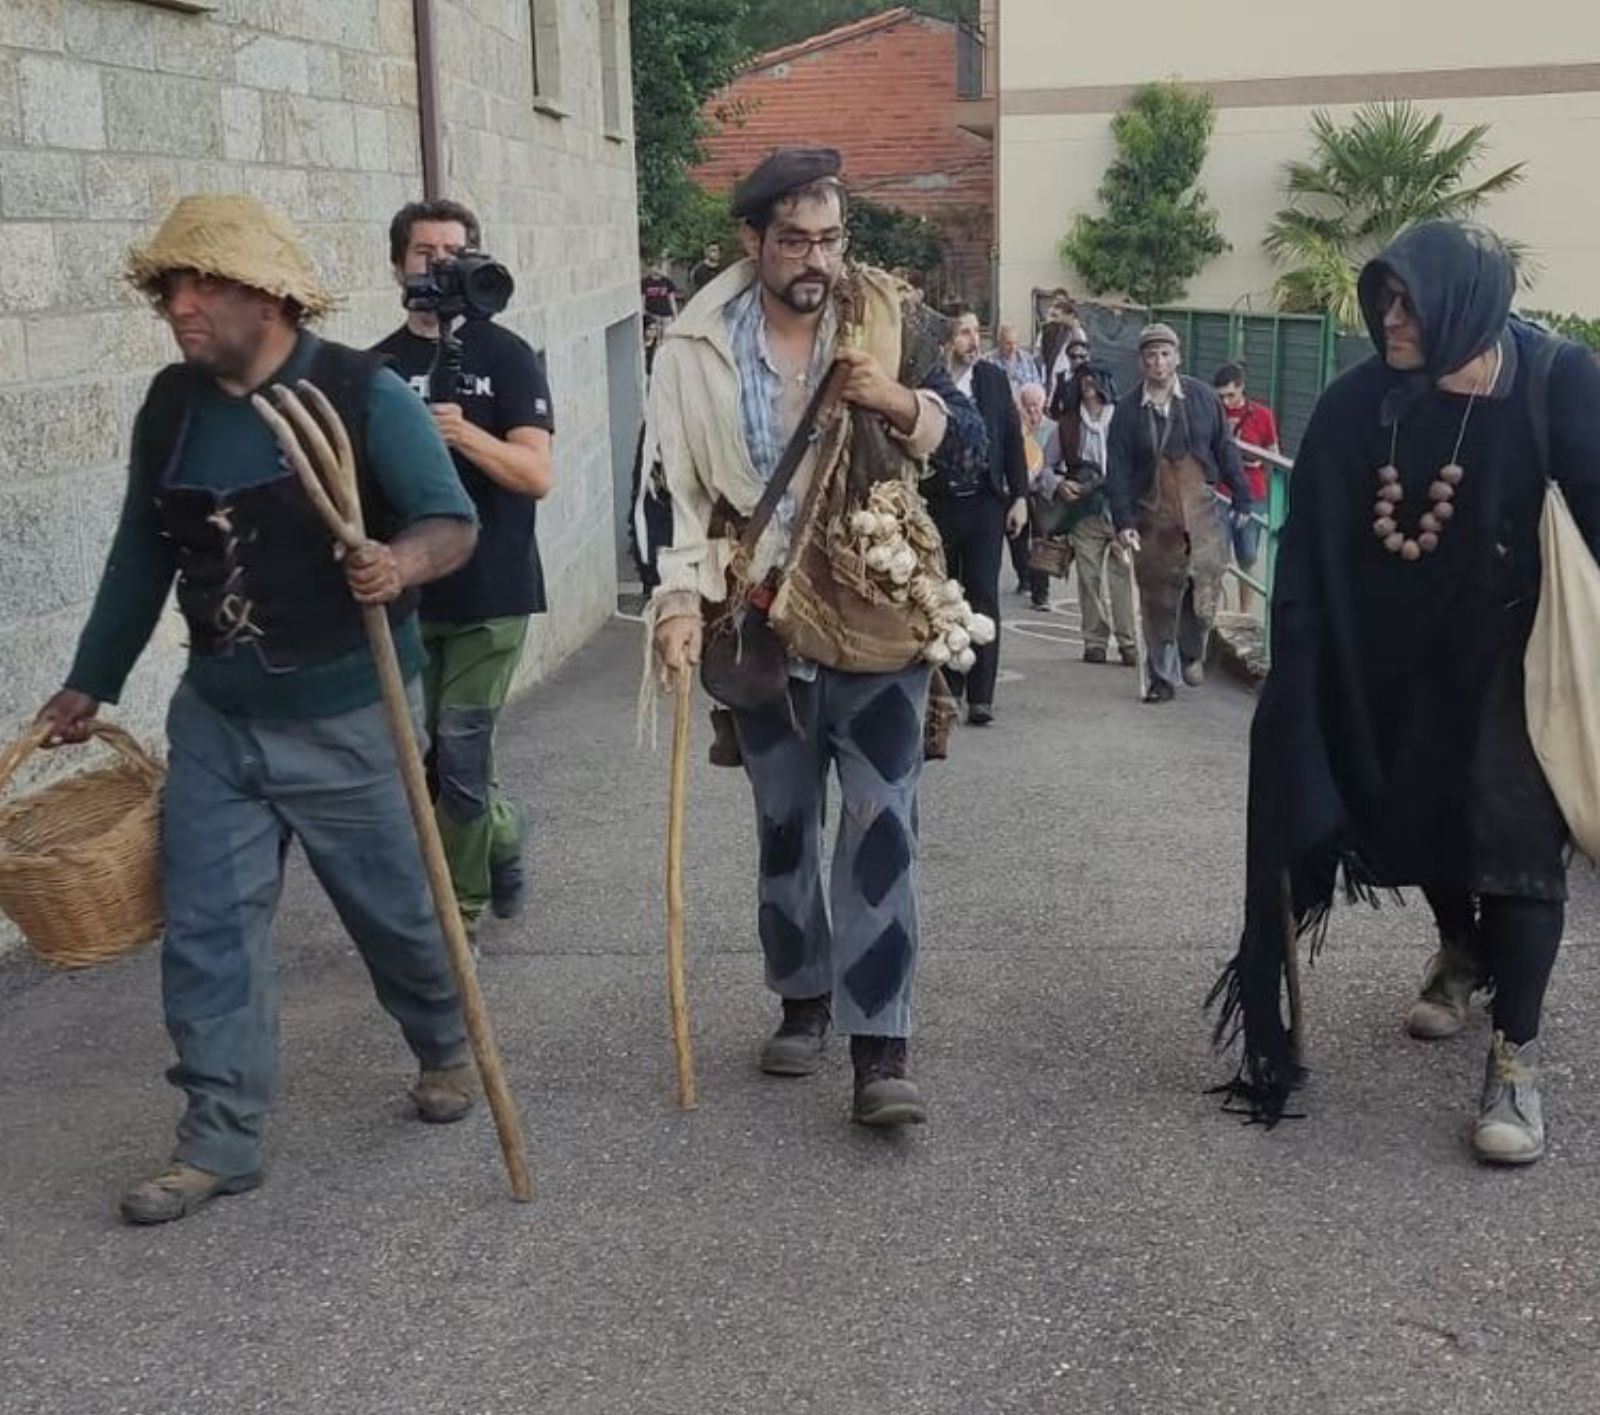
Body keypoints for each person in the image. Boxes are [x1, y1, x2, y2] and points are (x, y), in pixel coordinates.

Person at [35, 194, 481, 1225]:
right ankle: (218, 1137)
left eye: (203, 285)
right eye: (169, 287)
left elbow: (448, 522)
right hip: (220, 720)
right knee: (206, 931)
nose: (180, 306)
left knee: (398, 914)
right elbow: (141, 550)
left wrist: (397, 560)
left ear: (267, 295)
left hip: (351, 711)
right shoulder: (173, 405)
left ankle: (443, 1039)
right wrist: (90, 678)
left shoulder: (363, 393)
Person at [1211, 221, 1600, 1163]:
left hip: (1523, 663)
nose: (1389, 318)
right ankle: (1459, 947)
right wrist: (1300, 675)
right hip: (1401, 666)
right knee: (1411, 818)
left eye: (1409, 304)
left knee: (1516, 847)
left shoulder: (1558, 383)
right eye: (1383, 298)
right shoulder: (1359, 405)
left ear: (1465, 305)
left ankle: (1517, 1057)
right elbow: (1310, 551)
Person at [646, 147, 986, 1126]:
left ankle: (881, 1047)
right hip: (757, 628)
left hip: (878, 620)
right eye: (793, 238)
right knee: (785, 829)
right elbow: (682, 503)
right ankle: (801, 995)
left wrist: (897, 400)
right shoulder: (693, 349)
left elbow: (972, 444)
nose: (816, 259)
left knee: (881, 829)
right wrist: (676, 604)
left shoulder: (892, 318)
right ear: (750, 239)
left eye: (829, 238)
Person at [374, 199, 556, 935]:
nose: (439, 266)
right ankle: (503, 835)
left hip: (493, 590)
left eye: (455, 252)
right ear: (398, 265)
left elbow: (536, 473)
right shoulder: (374, 367)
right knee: (428, 764)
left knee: (458, 749)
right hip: (408, 599)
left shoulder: (506, 355)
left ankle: (460, 917)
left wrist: (460, 434)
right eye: (425, 253)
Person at [1107, 323, 1251, 703]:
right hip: (1152, 516)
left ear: (1178, 357)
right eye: (1151, 355)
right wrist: (1122, 521)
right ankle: (1161, 680)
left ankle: (1192, 647)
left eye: (1165, 354)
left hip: (1201, 511)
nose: (1159, 362)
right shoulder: (1126, 410)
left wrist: (1242, 496)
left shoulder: (1203, 398)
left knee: (1203, 589)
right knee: (1156, 598)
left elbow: (1225, 448)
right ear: (1141, 361)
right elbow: (1117, 469)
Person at [928, 312, 1029, 724]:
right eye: (964, 333)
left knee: (984, 593)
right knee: (944, 596)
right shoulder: (929, 381)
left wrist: (1020, 496)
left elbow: (1011, 438)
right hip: (939, 502)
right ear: (947, 340)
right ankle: (949, 687)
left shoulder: (991, 378)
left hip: (987, 502)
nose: (973, 340)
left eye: (976, 332)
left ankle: (982, 696)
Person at [1052, 363, 1137, 666]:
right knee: (1088, 578)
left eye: (1093, 381)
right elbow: (1045, 468)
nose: (1088, 386)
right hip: (1084, 512)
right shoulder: (1067, 424)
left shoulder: (1124, 418)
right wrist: (1059, 484)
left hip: (1119, 510)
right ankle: (1095, 640)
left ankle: (1128, 642)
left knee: (1122, 577)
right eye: (1083, 382)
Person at [1212, 362, 1280, 614]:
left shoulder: (1262, 415)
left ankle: (1245, 613)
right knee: (1216, 557)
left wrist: (1260, 465)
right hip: (1219, 492)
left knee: (1248, 556)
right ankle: (1216, 612)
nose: (1226, 402)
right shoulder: (1213, 413)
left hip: (1252, 494)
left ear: (1242, 389)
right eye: (1221, 396)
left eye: (1230, 395)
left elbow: (1274, 454)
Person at [1017, 382, 1057, 610]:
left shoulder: (1053, 429)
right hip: (1020, 491)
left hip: (1042, 493)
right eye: (1028, 406)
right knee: (1018, 539)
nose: (1032, 411)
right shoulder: (1014, 428)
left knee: (1041, 541)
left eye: (1036, 406)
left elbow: (1055, 461)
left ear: (1044, 405)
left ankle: (1041, 595)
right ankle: (1024, 577)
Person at [985, 323, 1043, 396]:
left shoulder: (1028, 360)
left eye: (1015, 343)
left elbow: (1038, 388)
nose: (1013, 348)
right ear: (999, 343)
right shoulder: (989, 361)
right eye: (1008, 344)